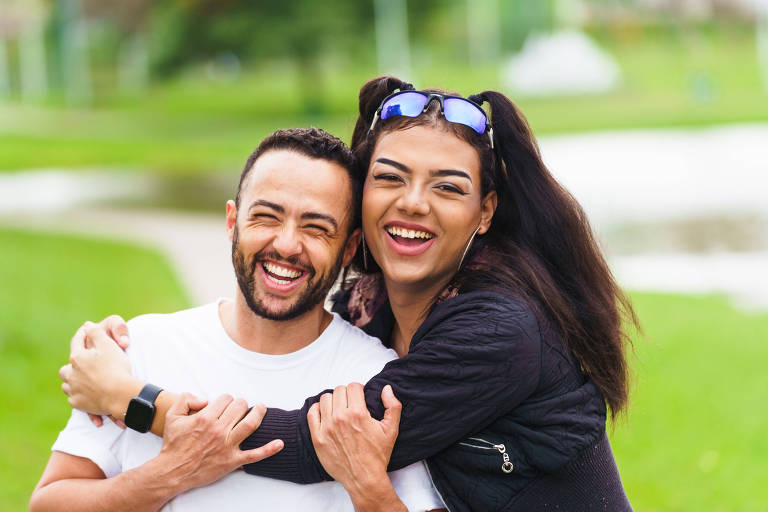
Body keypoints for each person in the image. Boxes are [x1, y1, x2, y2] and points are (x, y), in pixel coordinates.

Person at [60, 76, 637, 511]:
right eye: (390, 177)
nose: (413, 202)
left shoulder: (499, 327)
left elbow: (314, 445)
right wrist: (127, 341)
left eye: (448, 187)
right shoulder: (368, 310)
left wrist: (131, 398)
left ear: (484, 213)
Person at [30, 127, 444, 512]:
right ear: (232, 221)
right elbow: (48, 503)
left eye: (317, 228)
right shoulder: (138, 347)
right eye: (266, 216)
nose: (286, 244)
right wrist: (168, 475)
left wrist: (365, 484)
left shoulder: (375, 379)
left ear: (350, 247)